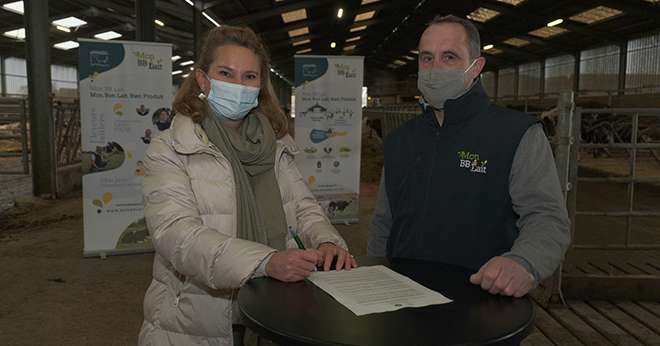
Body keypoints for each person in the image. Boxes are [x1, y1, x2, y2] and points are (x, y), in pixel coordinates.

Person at [138, 26, 357, 346]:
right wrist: (265, 261)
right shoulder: (171, 148)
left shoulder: (277, 143)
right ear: (203, 79)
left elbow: (304, 207)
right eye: (225, 73)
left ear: (260, 84)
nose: (238, 85)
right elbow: (177, 236)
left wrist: (327, 242)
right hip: (195, 320)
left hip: (274, 309)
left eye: (249, 76)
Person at [367, 15, 570, 298]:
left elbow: (547, 217)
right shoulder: (401, 140)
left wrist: (524, 262)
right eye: (426, 58)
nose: (435, 67)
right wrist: (375, 275)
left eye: (449, 57)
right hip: (401, 299)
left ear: (476, 67)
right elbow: (383, 222)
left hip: (483, 299)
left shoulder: (515, 134)